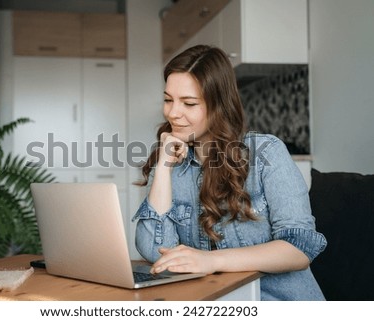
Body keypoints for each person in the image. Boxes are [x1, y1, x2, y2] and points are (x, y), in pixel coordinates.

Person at [132, 44, 327, 301]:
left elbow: (299, 249)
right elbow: (155, 252)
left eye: (189, 103)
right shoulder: (174, 162)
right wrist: (163, 168)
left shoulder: (266, 153)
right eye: (168, 100)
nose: (173, 113)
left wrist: (211, 260)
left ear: (219, 105)